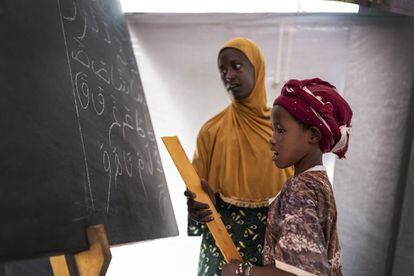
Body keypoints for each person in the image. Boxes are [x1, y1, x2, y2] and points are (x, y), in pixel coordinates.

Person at [184, 37, 294, 276]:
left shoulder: (282, 132)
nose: (228, 76)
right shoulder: (211, 131)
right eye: (222, 70)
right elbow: (196, 197)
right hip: (221, 250)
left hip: (269, 254)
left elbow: (296, 196)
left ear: (258, 69)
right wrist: (196, 208)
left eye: (236, 66)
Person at [221, 78, 352, 276]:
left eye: (280, 130)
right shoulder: (319, 183)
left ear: (314, 135)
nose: (272, 139)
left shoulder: (299, 189)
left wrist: (241, 271)